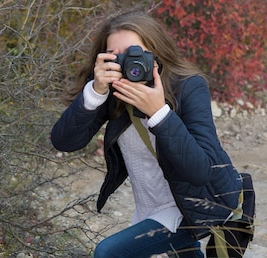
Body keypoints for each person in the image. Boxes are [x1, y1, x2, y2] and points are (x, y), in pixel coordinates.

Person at [50, 10, 243, 257]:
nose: (128, 63)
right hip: (152, 204)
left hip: (195, 205)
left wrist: (159, 113)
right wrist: (95, 93)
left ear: (156, 51)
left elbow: (200, 171)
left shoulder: (188, 86)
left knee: (108, 252)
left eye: (135, 53)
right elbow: (64, 141)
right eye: (115, 57)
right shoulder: (113, 89)